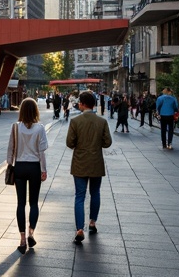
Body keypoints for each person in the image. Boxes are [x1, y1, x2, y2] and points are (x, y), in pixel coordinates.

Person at [65, 91, 111, 244]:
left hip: (80, 162)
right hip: (96, 162)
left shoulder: (75, 121)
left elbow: (70, 143)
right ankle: (92, 222)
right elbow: (107, 143)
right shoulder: (102, 122)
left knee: (80, 196)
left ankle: (79, 229)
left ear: (83, 104)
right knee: (95, 192)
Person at [8, 98, 48, 253]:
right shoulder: (40, 128)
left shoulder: (15, 127)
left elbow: (10, 148)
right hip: (34, 167)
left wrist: (10, 165)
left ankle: (22, 239)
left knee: (20, 203)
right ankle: (31, 232)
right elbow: (41, 153)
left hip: (19, 166)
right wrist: (43, 170)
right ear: (36, 111)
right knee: (33, 203)